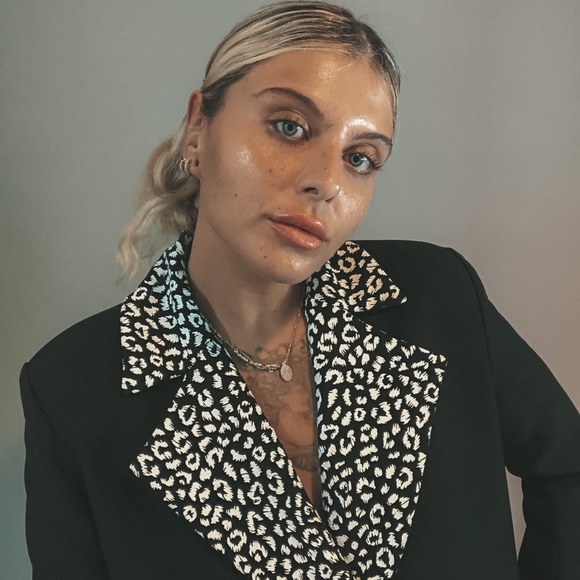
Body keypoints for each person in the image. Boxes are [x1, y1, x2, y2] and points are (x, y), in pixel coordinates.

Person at [20, 2, 580, 579]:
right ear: (197, 130)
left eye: (360, 159)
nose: (326, 182)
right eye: (289, 127)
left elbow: (568, 468)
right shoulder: (72, 388)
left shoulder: (439, 298)